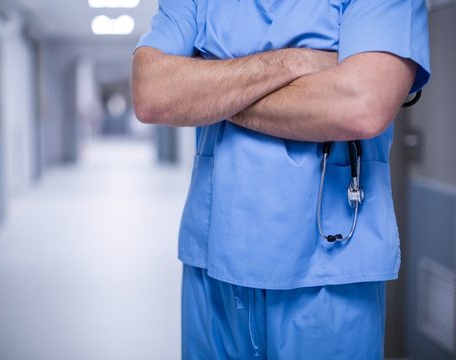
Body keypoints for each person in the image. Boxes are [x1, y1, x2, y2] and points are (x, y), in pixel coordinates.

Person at [132, 0, 430, 358]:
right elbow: (152, 93)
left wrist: (213, 89)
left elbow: (361, 105)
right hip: (214, 266)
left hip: (329, 270)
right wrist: (296, 61)